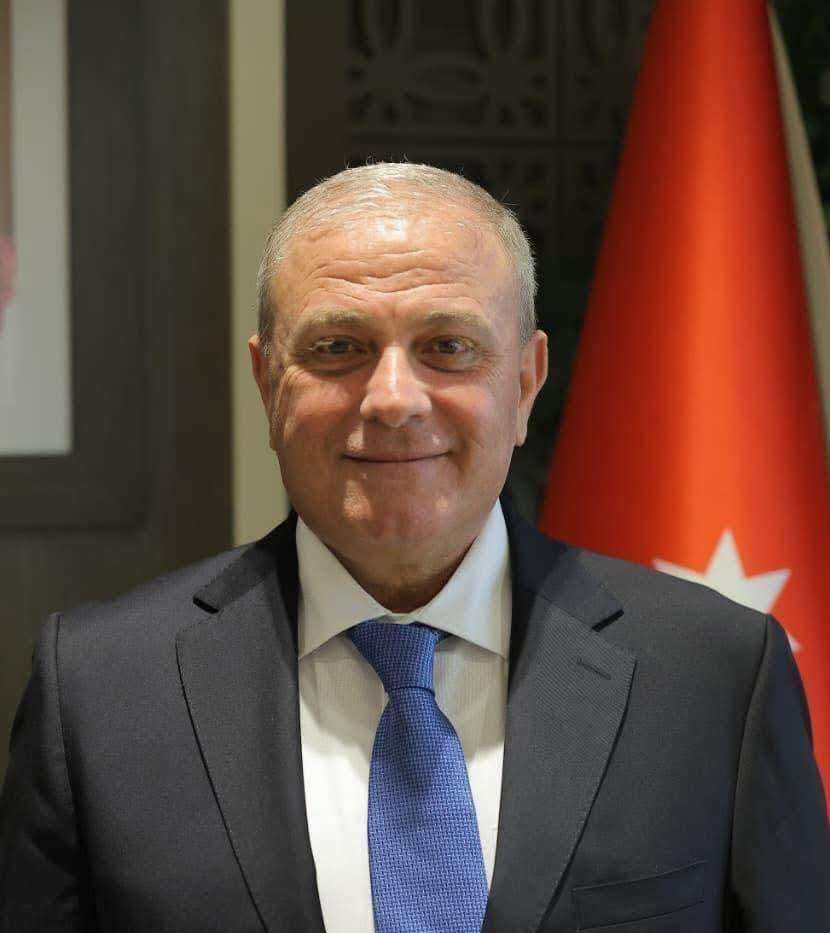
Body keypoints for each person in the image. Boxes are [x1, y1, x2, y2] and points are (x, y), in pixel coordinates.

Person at [1, 163, 828, 932]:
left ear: (525, 381)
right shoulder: (101, 692)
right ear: (267, 381)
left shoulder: (715, 675)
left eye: (448, 347)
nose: (393, 399)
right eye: (338, 348)